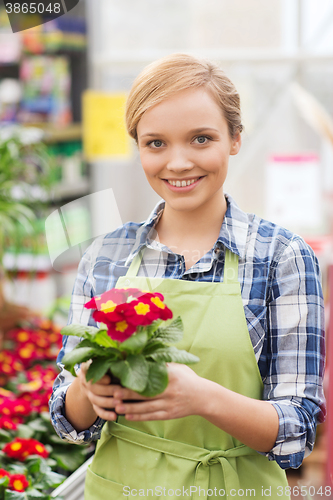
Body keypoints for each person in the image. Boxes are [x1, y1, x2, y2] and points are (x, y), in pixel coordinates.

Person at [49, 54, 326, 500]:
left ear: (235, 138)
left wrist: (201, 398)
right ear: (137, 144)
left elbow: (299, 432)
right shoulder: (106, 256)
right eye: (155, 143)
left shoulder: (282, 256)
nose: (177, 163)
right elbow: (69, 422)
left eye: (201, 139)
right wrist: (89, 391)